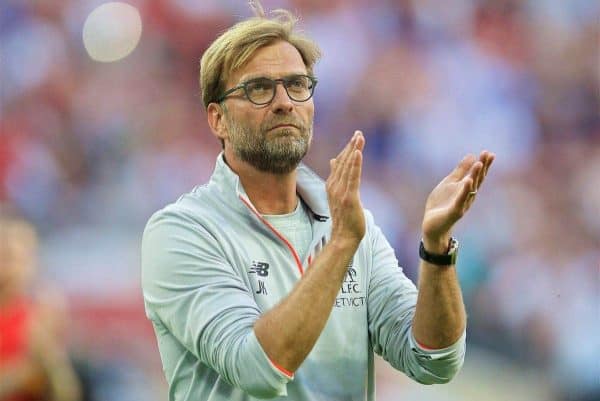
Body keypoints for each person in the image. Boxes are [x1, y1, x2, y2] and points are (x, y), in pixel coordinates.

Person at [141, 2, 495, 400]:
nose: (283, 101)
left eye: (297, 85)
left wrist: (436, 250)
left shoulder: (349, 221)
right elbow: (257, 369)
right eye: (259, 88)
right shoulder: (182, 231)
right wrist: (341, 245)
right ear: (217, 119)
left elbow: (434, 360)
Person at [0, 209, 82, 401]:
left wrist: (50, 357)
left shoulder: (40, 313)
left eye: (24, 256)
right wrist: (19, 375)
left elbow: (66, 393)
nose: (15, 266)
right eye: (8, 255)